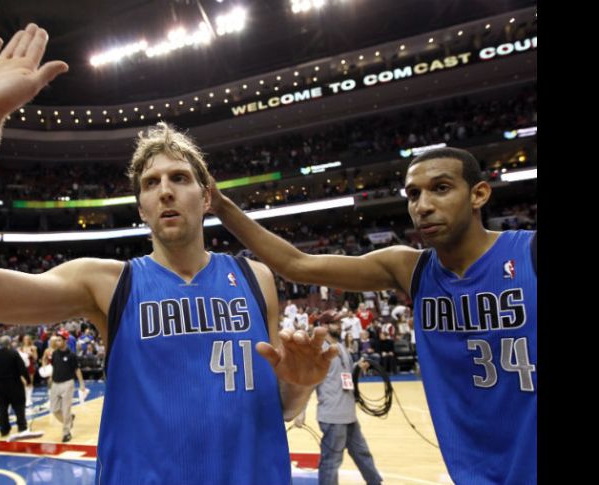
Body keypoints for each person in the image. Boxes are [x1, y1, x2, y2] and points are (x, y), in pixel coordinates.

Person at [0, 23, 338, 485]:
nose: (166, 191)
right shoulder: (106, 283)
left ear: (206, 197)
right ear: (141, 209)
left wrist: (300, 382)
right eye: (151, 184)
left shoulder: (257, 278)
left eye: (180, 178)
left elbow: (279, 407)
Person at [210, 146, 536, 484]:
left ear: (479, 194)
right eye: (413, 194)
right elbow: (296, 265)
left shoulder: (529, 254)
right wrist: (220, 205)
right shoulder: (410, 268)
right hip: (474, 473)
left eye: (441, 188)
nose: (422, 206)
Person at [312, 319, 382, 485]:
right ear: (324, 326)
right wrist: (300, 412)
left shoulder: (342, 347)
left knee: (362, 453)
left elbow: (347, 375)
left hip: (348, 413)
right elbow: (310, 379)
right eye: (334, 322)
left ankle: (376, 483)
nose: (339, 325)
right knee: (331, 462)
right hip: (333, 415)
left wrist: (358, 367)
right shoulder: (319, 350)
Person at [0, 335, 31, 438]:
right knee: (19, 407)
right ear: (9, 343)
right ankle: (22, 427)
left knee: (3, 409)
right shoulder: (14, 354)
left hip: (0, 387)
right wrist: (28, 380)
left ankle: (4, 429)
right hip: (14, 384)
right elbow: (22, 368)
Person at [49, 334, 86, 442]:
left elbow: (77, 370)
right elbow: (54, 367)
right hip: (55, 383)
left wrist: (81, 383)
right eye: (56, 340)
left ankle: (66, 433)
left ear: (65, 341)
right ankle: (70, 419)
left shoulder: (71, 355)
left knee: (66, 410)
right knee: (55, 410)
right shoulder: (55, 353)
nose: (57, 342)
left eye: (59, 340)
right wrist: (51, 378)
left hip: (68, 383)